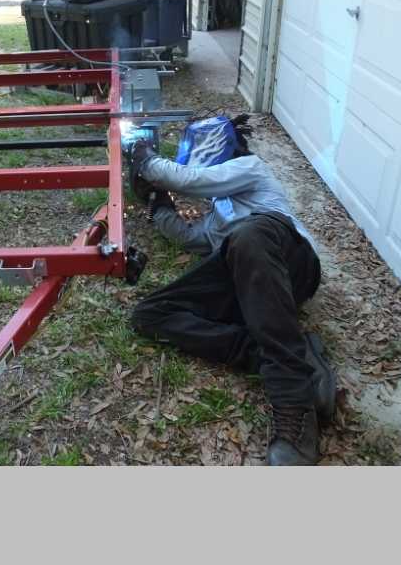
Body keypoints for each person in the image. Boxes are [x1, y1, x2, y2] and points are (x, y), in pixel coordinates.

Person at [127, 116, 336, 466]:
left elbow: (188, 179)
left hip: (292, 263)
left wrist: (143, 156)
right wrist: (157, 200)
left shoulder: (251, 168)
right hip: (245, 277)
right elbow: (186, 235)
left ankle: (294, 400)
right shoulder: (217, 215)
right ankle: (285, 355)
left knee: (248, 235)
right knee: (150, 314)